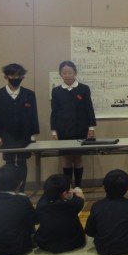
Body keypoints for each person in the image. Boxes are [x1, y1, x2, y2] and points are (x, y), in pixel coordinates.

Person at [0, 63, 40, 193]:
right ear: (6, 77)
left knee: (22, 162)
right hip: (6, 135)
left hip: (24, 135)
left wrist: (33, 135)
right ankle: (9, 190)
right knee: (9, 163)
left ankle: (21, 191)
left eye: (19, 75)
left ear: (23, 77)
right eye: (12, 75)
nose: (16, 78)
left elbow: (34, 115)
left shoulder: (29, 94)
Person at [51, 60, 97, 188]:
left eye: (70, 72)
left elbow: (89, 109)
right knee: (66, 159)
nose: (67, 75)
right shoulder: (56, 91)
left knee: (78, 158)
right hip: (63, 130)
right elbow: (54, 112)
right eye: (64, 73)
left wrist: (91, 128)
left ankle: (78, 187)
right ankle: (68, 187)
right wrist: (54, 131)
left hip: (80, 129)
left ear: (75, 73)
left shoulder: (83, 88)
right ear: (60, 74)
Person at [85, 169, 128, 255]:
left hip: (102, 248)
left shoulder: (97, 205)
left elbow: (89, 231)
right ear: (127, 188)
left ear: (104, 186)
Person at [35, 174, 86, 253]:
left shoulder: (41, 204)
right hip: (74, 243)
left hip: (46, 244)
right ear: (65, 193)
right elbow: (81, 198)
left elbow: (45, 196)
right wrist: (78, 193)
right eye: (70, 188)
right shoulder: (74, 204)